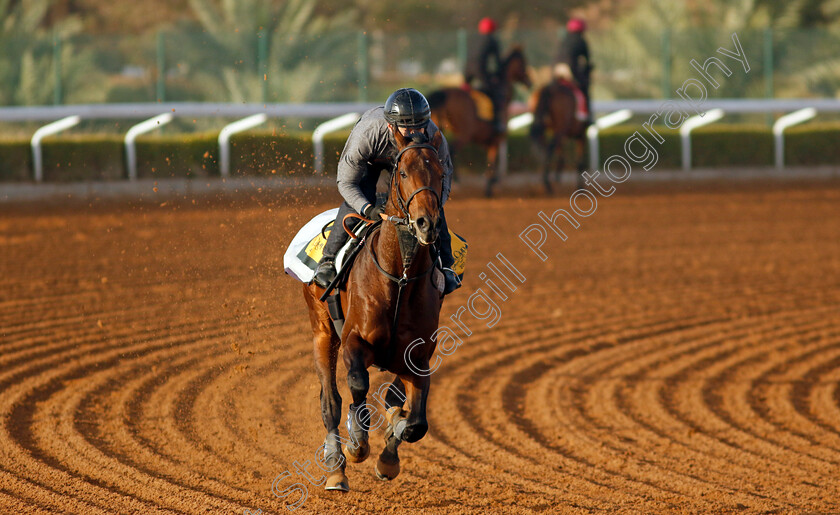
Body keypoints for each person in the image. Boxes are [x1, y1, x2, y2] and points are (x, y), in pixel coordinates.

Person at [312, 88, 461, 295]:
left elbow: (444, 181)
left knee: (428, 201)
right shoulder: (368, 134)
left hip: (412, 163)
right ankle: (327, 260)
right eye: (408, 130)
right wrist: (368, 209)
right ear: (391, 126)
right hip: (374, 159)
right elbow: (346, 183)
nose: (416, 134)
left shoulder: (434, 136)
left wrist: (432, 205)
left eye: (420, 127)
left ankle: (447, 265)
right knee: (365, 191)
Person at [465, 17, 505, 132]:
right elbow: (498, 61)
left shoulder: (473, 38)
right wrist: (496, 76)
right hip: (480, 71)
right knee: (495, 94)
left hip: (467, 70)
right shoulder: (492, 40)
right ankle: (497, 123)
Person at [555, 17, 593, 122]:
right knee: (583, 89)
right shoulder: (581, 41)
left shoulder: (563, 40)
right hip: (570, 69)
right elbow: (587, 60)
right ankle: (587, 117)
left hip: (555, 68)